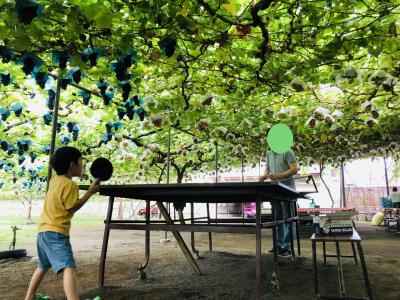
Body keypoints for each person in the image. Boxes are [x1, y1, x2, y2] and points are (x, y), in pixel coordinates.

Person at [25, 147, 100, 300]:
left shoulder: (55, 180)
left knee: (42, 265)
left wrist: (80, 175)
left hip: (43, 231)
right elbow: (73, 206)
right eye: (81, 162)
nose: (83, 166)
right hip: (56, 233)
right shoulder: (71, 186)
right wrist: (90, 192)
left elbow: (63, 190)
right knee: (68, 267)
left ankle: (30, 296)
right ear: (72, 165)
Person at [259, 148, 298, 256]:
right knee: (277, 219)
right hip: (275, 190)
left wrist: (278, 176)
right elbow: (267, 168)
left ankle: (287, 247)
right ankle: (278, 245)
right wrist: (265, 175)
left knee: (289, 219)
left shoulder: (287, 151)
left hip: (288, 190)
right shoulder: (269, 154)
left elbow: (294, 169)